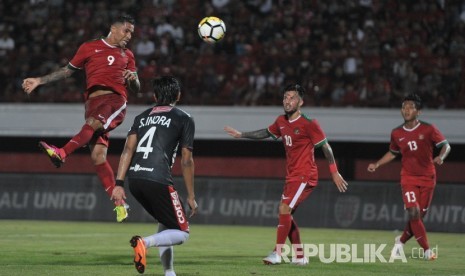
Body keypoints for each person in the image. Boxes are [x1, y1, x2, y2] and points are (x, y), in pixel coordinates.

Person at [22, 15, 140, 222]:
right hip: (92, 103)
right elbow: (67, 71)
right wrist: (40, 81)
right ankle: (120, 204)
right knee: (97, 157)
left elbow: (136, 87)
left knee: (92, 124)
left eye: (131, 32)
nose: (129, 36)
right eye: (126, 30)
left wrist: (133, 80)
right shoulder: (89, 47)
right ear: (113, 28)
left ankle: (62, 152)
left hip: (114, 100)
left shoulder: (128, 55)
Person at [224, 84, 348, 265]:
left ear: (301, 102)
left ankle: (277, 253)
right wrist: (242, 134)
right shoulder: (281, 121)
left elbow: (326, 148)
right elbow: (265, 133)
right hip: (292, 176)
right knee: (286, 215)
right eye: (285, 98)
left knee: (284, 210)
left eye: (292, 98)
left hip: (305, 175)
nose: (287, 101)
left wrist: (334, 172)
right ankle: (300, 256)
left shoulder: (309, 124)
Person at [111, 76, 197, 276]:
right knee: (182, 233)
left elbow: (127, 151)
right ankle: (144, 243)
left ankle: (169, 272)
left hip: (135, 180)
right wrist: (191, 196)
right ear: (178, 95)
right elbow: (186, 160)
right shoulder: (183, 118)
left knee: (166, 223)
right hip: (158, 179)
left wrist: (119, 184)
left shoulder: (141, 117)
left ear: (155, 95)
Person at [367, 93, 451, 261]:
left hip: (428, 178)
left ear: (418, 112)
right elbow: (393, 153)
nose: (406, 110)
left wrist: (441, 157)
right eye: (404, 107)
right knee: (413, 212)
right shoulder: (396, 133)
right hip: (408, 177)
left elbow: (446, 146)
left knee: (418, 218)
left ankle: (401, 241)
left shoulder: (429, 129)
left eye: (411, 107)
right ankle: (427, 250)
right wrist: (377, 164)